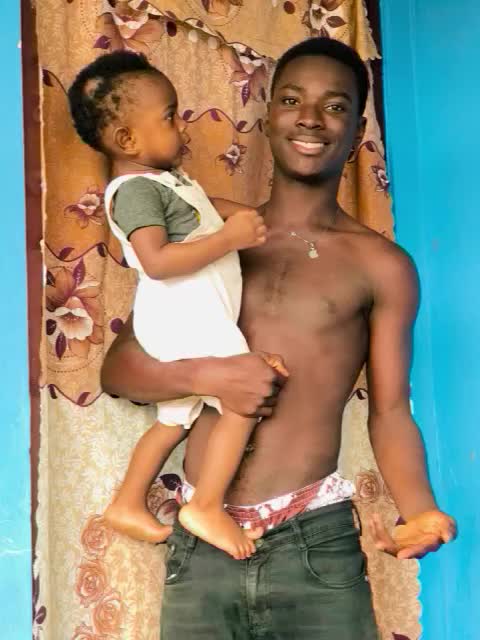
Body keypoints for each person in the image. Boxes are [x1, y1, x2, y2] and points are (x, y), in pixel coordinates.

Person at [101, 38, 457, 639]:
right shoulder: (211, 236)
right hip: (201, 544)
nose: (310, 118)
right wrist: (210, 376)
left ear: (358, 131)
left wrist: (419, 510)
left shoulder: (381, 266)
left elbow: (391, 410)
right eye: (291, 100)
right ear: (267, 118)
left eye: (335, 106)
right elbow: (120, 369)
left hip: (315, 543)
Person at [68, 51, 288, 559]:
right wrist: (230, 238)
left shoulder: (168, 183)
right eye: (170, 117)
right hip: (184, 317)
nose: (182, 125)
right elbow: (157, 261)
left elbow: (203, 213)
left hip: (189, 319)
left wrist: (246, 219)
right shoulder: (134, 191)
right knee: (245, 395)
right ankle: (206, 505)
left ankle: (127, 502)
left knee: (174, 420)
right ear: (127, 140)